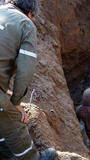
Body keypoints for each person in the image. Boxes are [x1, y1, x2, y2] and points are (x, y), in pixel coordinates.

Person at [0, 0, 55, 159]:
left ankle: (4, 151)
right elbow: (25, 71)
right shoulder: (26, 24)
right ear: (30, 13)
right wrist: (15, 102)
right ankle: (33, 158)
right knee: (13, 120)